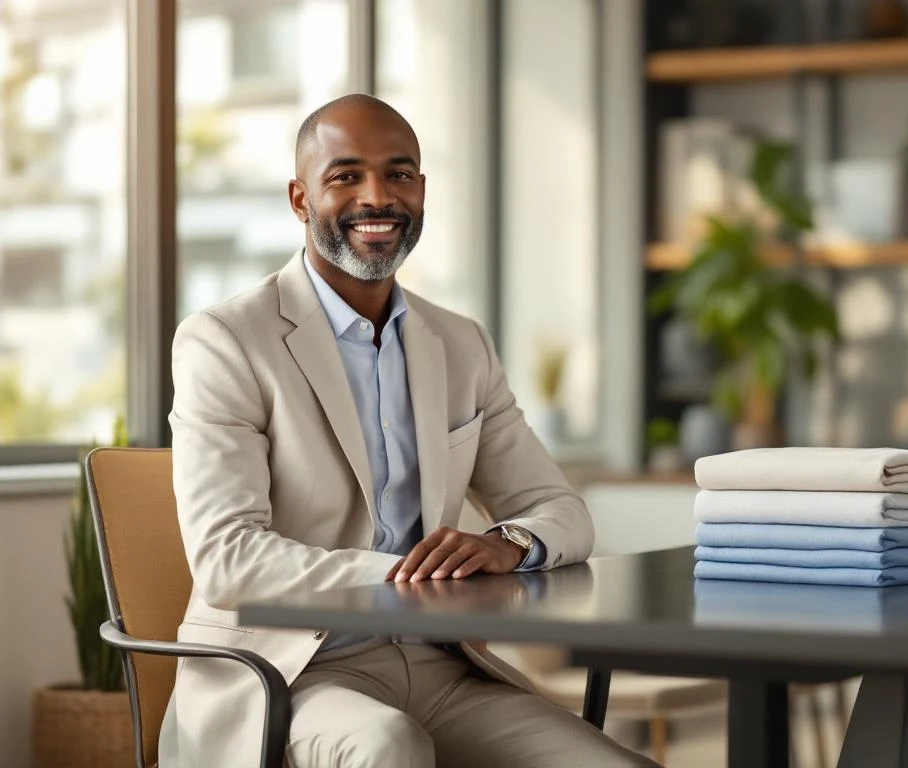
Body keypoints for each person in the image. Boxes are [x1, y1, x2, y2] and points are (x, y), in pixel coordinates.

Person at [161, 94, 658, 767]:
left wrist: (509, 545)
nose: (377, 197)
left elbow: (561, 510)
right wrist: (409, 578)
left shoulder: (460, 343)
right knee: (387, 748)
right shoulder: (225, 342)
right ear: (300, 199)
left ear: (421, 191)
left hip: (441, 670)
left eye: (399, 174)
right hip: (293, 673)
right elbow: (227, 558)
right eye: (345, 176)